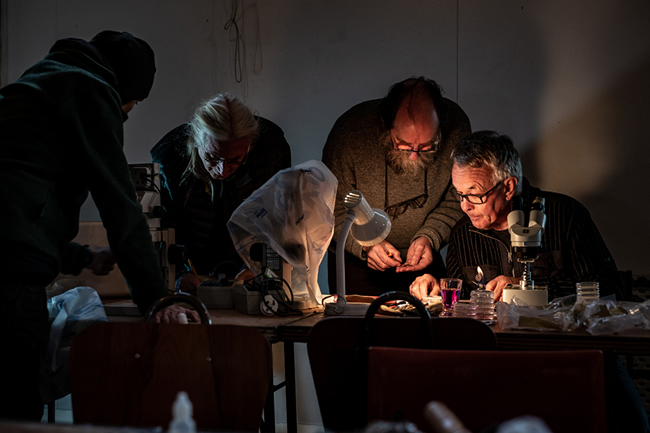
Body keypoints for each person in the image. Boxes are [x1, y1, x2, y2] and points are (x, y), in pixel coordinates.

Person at [0, 30, 199, 422]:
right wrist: (158, 299)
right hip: (10, 285)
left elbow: (19, 212)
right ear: (125, 90)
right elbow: (121, 207)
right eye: (133, 104)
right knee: (15, 413)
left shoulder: (38, 82)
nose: (127, 112)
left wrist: (83, 257)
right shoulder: (90, 91)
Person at [409, 130, 624, 301]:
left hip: (557, 347)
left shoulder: (566, 216)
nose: (465, 206)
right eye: (459, 194)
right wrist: (438, 288)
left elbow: (608, 287)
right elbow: (462, 296)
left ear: (508, 187)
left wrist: (526, 289)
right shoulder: (464, 232)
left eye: (474, 194)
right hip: (495, 348)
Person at [322, 77, 471, 296]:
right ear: (385, 123)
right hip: (357, 260)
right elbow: (331, 207)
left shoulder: (456, 130)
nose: (413, 156)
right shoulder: (349, 138)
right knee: (361, 327)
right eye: (403, 144)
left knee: (427, 323)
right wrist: (367, 244)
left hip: (421, 257)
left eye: (426, 146)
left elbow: (458, 197)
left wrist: (430, 237)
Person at [151, 94, 291, 293]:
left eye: (235, 159)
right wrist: (180, 273)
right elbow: (165, 227)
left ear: (250, 146)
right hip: (194, 264)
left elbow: (279, 220)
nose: (222, 170)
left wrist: (258, 266)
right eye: (212, 157)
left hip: (248, 258)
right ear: (197, 142)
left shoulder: (271, 151)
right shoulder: (171, 158)